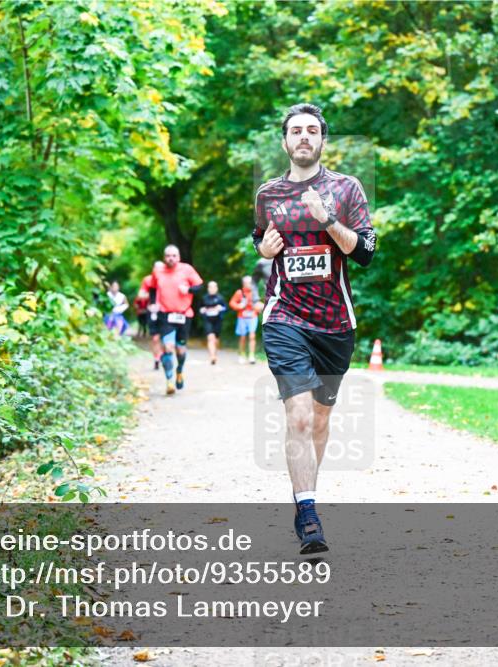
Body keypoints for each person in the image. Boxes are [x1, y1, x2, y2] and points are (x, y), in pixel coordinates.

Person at [253, 103, 376, 554]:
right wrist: (265, 250)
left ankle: (307, 493)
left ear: (322, 140)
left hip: (335, 323)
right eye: (295, 131)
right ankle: (308, 513)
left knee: (321, 418)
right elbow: (261, 239)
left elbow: (364, 252)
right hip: (285, 315)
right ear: (284, 142)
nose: (303, 137)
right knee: (299, 415)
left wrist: (326, 218)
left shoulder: (346, 189)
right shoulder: (268, 193)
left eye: (311, 131)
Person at [149, 245, 203, 395]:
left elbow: (200, 286)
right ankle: (169, 380)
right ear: (164, 257)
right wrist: (153, 303)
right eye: (168, 256)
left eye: (173, 255)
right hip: (165, 315)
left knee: (180, 349)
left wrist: (189, 290)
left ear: (178, 257)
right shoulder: (158, 271)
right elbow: (152, 288)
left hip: (184, 314)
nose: (170, 258)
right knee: (168, 347)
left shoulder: (187, 269)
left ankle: (179, 370)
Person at [229, 275, 262, 364]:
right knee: (242, 337)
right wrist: (238, 306)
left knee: (252, 336)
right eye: (248, 283)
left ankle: (251, 355)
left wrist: (259, 307)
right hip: (242, 318)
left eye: (251, 283)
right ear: (244, 284)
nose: (250, 285)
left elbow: (260, 303)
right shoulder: (239, 293)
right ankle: (242, 354)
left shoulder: (255, 292)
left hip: (252, 317)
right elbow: (232, 303)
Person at [140, 262, 164, 370]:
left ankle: (164, 355)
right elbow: (141, 295)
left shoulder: (168, 279)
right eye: (157, 268)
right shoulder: (148, 280)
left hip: (165, 311)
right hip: (153, 310)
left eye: (161, 268)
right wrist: (148, 299)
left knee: (166, 337)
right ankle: (156, 358)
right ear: (153, 269)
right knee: (155, 337)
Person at [199, 281, 227, 365]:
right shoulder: (204, 298)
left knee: (216, 339)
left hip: (218, 320)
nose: (212, 289)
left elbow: (226, 308)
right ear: (208, 288)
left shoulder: (220, 298)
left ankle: (215, 354)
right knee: (210, 338)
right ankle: (212, 356)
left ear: (216, 288)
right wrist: (202, 310)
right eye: (210, 287)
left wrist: (221, 308)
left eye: (214, 287)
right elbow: (200, 308)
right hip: (207, 320)